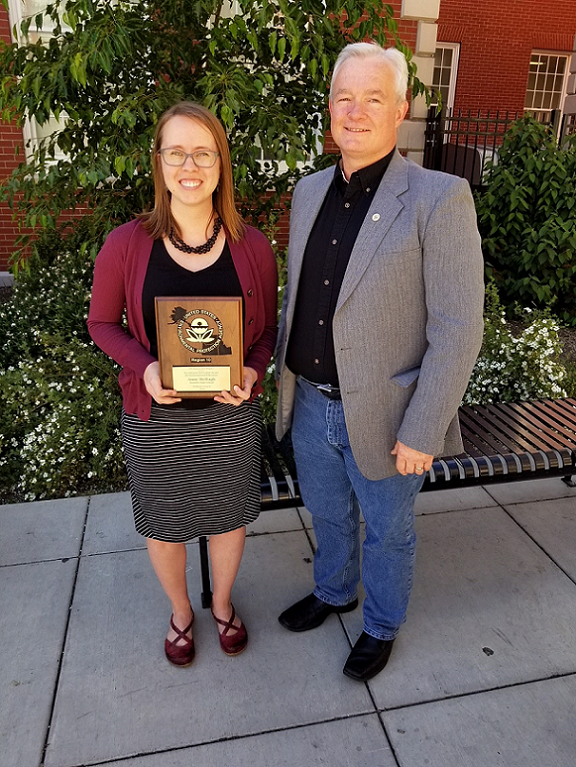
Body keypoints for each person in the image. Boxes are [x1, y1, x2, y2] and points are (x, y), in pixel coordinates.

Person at [275, 42, 484, 681]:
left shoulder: (438, 198)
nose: (356, 111)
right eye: (345, 97)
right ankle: (335, 590)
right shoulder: (308, 192)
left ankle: (381, 624)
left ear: (401, 110)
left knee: (388, 531)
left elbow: (457, 328)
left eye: (373, 98)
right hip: (310, 401)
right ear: (330, 109)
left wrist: (424, 429)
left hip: (392, 414)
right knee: (330, 514)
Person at [88, 102, 277, 667]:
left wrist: (251, 370)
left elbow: (266, 335)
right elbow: (101, 324)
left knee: (228, 517)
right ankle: (180, 612)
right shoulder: (125, 245)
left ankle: (221, 605)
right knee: (164, 522)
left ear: (221, 163)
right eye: (176, 152)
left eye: (203, 152)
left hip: (228, 414)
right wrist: (144, 367)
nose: (189, 165)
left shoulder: (253, 247)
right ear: (159, 162)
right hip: (156, 415)